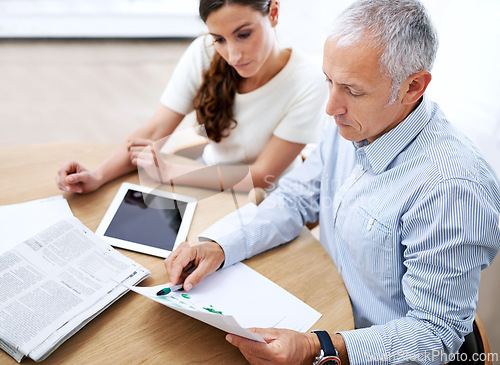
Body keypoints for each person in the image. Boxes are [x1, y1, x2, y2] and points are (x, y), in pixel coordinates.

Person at [163, 0, 500, 364]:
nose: (331, 106)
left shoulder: (452, 188)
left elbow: (436, 333)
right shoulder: (352, 122)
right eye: (329, 82)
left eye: (353, 91)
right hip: (324, 306)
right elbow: (295, 198)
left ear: (412, 87)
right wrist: (220, 245)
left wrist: (319, 347)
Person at [55, 0, 327, 194]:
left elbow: (260, 176)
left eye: (244, 34)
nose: (233, 56)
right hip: (206, 174)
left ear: (274, 13)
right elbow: (156, 129)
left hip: (269, 195)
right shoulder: (203, 53)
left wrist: (171, 173)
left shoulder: (309, 79)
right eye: (219, 39)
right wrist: (97, 176)